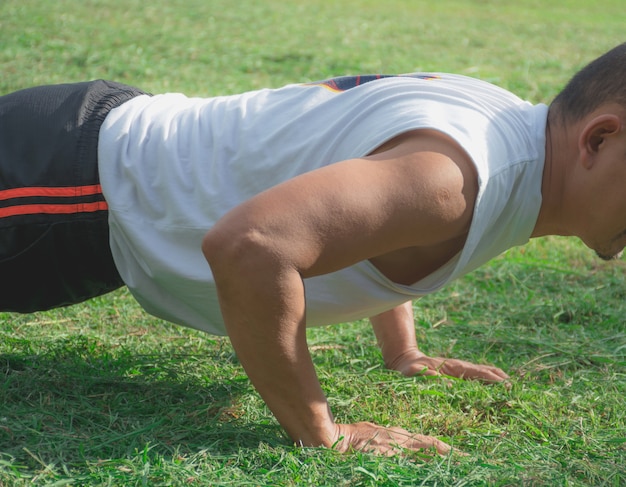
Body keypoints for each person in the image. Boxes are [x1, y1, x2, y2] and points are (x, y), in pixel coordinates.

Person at [1, 42, 625, 456]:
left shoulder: (502, 136)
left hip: (91, 174)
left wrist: (403, 350)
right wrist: (322, 433)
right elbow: (253, 246)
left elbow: (367, 215)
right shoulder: (454, 179)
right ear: (599, 138)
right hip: (65, 186)